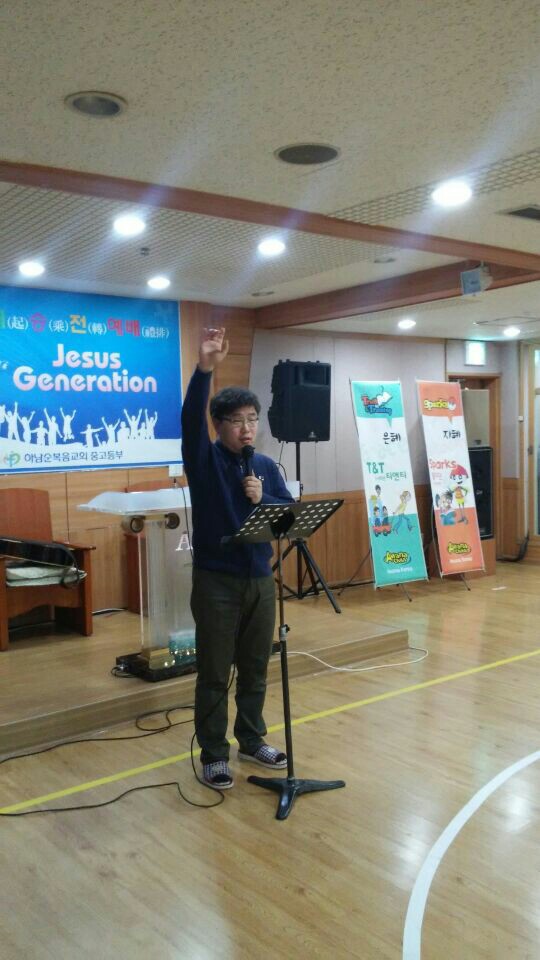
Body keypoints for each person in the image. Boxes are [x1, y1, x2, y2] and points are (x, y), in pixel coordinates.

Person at [181, 326, 294, 790]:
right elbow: (190, 420)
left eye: (252, 419)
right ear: (218, 426)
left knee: (255, 667)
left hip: (260, 580)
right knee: (214, 671)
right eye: (236, 421)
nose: (247, 428)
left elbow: (288, 515)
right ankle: (213, 753)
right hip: (217, 582)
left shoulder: (265, 466)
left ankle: (251, 738)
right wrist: (204, 370)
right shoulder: (204, 461)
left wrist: (265, 498)